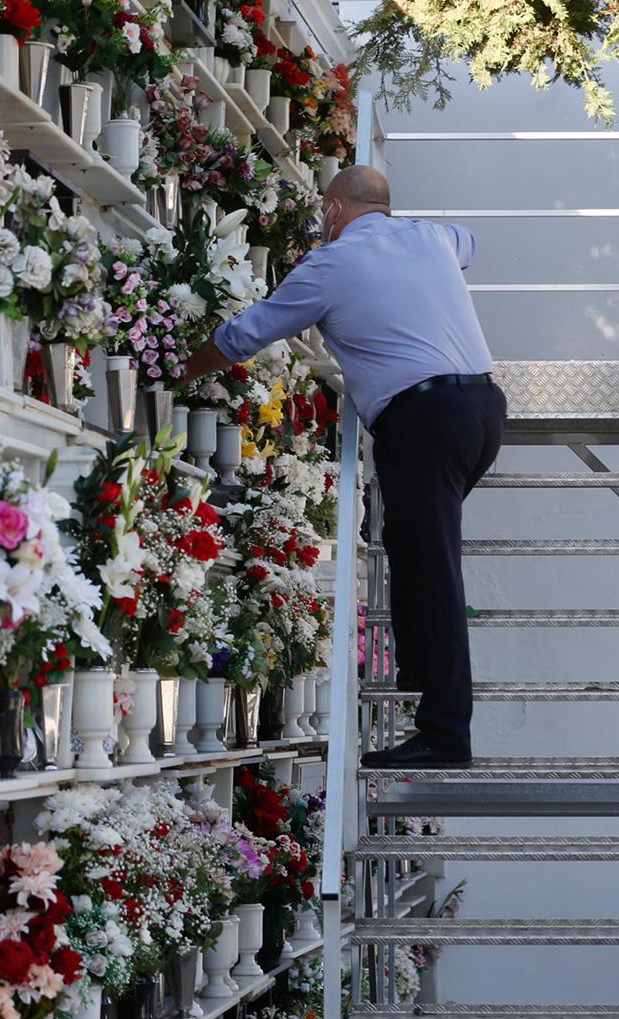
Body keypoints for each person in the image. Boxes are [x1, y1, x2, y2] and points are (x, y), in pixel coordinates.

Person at [180, 166, 504, 769]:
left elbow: (243, 336)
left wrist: (172, 373)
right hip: (482, 409)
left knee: (433, 569)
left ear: (332, 210)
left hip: (425, 416)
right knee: (410, 548)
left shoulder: (329, 267)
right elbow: (471, 242)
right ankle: (417, 670)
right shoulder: (432, 238)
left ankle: (445, 735)